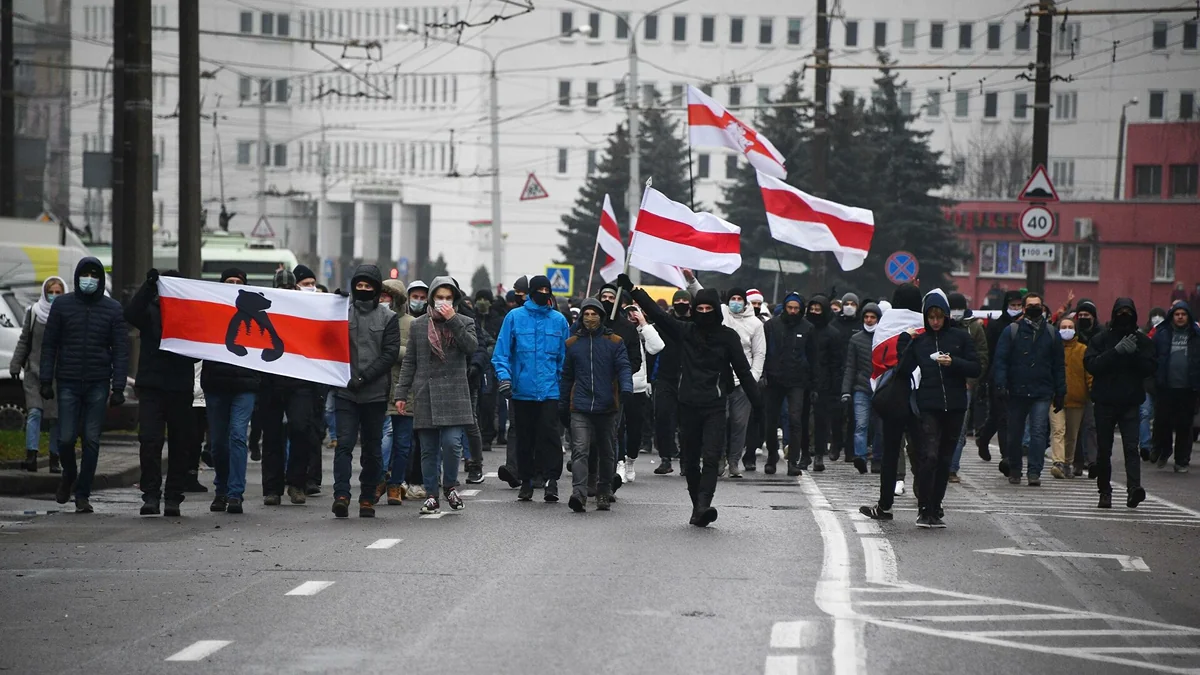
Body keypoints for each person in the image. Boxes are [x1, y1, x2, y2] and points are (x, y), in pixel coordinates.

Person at [624, 275, 761, 527]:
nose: (705, 312)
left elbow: (743, 371)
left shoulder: (728, 336)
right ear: (694, 310)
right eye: (700, 308)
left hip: (715, 405)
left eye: (709, 308)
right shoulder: (685, 331)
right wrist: (634, 290)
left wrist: (759, 406)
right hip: (687, 403)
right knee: (690, 458)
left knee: (711, 457)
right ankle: (696, 505)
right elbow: (659, 315)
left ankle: (704, 504)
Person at [39, 257, 128, 513]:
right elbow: (49, 345)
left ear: (100, 279)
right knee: (65, 439)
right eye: (85, 274)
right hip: (67, 380)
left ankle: (82, 493)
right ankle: (69, 474)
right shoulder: (63, 306)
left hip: (98, 382)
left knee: (91, 440)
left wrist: (119, 387)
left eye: (94, 274)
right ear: (77, 276)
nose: (89, 279)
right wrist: (46, 379)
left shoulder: (112, 309)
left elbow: (121, 350)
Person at [895, 290, 980, 527]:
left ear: (945, 316)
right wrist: (904, 341)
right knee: (929, 456)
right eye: (930, 317)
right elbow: (902, 370)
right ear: (925, 317)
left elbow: (976, 367)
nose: (934, 321)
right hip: (928, 406)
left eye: (938, 317)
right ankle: (924, 506)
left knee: (944, 459)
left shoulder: (960, 337)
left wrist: (954, 363)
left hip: (954, 406)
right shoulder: (919, 341)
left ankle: (936, 505)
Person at [395, 276, 479, 514]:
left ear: (455, 300)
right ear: (432, 298)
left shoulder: (464, 321)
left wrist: (453, 320)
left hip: (454, 392)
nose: (443, 302)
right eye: (439, 297)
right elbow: (409, 361)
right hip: (426, 393)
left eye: (448, 298)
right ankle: (431, 494)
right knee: (428, 449)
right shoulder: (419, 325)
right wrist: (401, 393)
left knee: (452, 445)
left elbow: (471, 347)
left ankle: (450, 486)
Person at [125, 268, 202, 517]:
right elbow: (130, 314)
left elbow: (199, 350)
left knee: (181, 444)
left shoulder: (191, 314)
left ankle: (173, 497)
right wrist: (148, 286)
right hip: (151, 387)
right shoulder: (150, 309)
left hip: (179, 387)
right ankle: (150, 494)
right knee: (150, 440)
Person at [492, 275, 570, 502]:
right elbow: (502, 353)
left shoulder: (559, 321)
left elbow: (565, 358)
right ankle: (525, 481)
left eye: (548, 289)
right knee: (525, 438)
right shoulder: (514, 318)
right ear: (532, 291)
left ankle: (551, 481)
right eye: (540, 289)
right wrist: (505, 378)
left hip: (550, 391)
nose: (544, 293)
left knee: (550, 437)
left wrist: (564, 386)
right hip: (522, 390)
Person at [330, 265, 400, 518]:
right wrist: (330, 306)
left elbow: (390, 353)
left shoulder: (388, 318)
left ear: (376, 289)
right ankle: (341, 495)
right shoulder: (342, 312)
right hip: (345, 392)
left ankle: (367, 497)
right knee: (344, 446)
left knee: (372, 449)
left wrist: (365, 377)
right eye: (358, 286)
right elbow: (325, 340)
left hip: (374, 394)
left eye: (368, 286)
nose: (363, 290)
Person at [560, 299, 633, 512]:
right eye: (586, 314)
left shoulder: (614, 342)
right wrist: (563, 403)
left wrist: (626, 389)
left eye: (594, 313)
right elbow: (566, 377)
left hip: (607, 406)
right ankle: (579, 494)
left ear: (601, 316)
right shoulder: (572, 344)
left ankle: (603, 491)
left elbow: (624, 368)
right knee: (580, 450)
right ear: (581, 317)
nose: (590, 318)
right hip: (580, 406)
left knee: (607, 451)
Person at [860, 283, 925, 521]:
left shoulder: (885, 323)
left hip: (892, 398)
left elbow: (877, 360)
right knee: (921, 453)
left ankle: (884, 505)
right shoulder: (924, 323)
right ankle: (925, 506)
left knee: (890, 454)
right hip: (918, 399)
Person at [1085, 298, 1157, 508]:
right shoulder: (1101, 339)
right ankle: (1104, 491)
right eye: (1120, 311)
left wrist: (1134, 354)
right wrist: (1115, 352)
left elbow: (1150, 368)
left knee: (1131, 448)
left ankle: (1134, 488)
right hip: (1105, 401)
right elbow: (1091, 365)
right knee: (1104, 449)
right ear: (1114, 313)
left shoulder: (1142, 341)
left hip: (1130, 402)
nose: (1124, 315)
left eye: (1128, 311)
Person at [259, 268, 322, 506]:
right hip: (271, 380)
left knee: (300, 430)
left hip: (300, 381)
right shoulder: (264, 308)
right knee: (272, 435)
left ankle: (296, 483)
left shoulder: (305, 307)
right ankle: (272, 488)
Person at [201, 269, 260, 515]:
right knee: (217, 443)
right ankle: (221, 489)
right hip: (216, 384)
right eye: (229, 282)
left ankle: (235, 493)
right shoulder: (211, 312)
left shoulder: (256, 316)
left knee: (237, 436)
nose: (234, 285)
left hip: (245, 386)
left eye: (239, 282)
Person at [992, 292, 1065, 486]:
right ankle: (1015, 469)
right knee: (1015, 432)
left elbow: (1059, 364)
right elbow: (1001, 360)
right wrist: (1000, 385)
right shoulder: (1012, 331)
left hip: (1042, 390)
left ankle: (1034, 471)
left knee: (1039, 431)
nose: (1034, 309)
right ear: (1024, 309)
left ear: (1042, 308)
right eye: (1030, 305)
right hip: (1017, 390)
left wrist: (1061, 391)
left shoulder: (1051, 333)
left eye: (1038, 305)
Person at [10, 276, 66, 473]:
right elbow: (24, 340)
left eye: (58, 292)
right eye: (50, 292)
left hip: (57, 375)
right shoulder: (33, 313)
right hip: (34, 371)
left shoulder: (65, 315)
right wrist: (16, 364)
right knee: (34, 412)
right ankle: (31, 455)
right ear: (44, 292)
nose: (54, 296)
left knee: (55, 417)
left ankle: (54, 459)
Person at [762, 292, 813, 475]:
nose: (792, 311)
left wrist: (811, 380)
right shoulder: (771, 325)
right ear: (784, 308)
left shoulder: (808, 328)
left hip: (797, 381)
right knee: (770, 421)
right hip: (774, 380)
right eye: (789, 308)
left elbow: (813, 356)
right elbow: (764, 351)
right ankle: (771, 458)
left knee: (795, 420)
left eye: (796, 309)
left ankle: (793, 461)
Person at [721, 287, 765, 479]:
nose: (736, 302)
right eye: (733, 298)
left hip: (743, 382)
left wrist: (752, 377)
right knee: (720, 421)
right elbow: (702, 294)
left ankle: (734, 461)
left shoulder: (755, 324)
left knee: (739, 423)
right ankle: (719, 459)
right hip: (722, 379)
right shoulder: (722, 314)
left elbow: (759, 353)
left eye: (740, 299)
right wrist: (691, 281)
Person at [976, 290, 1025, 462]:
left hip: (1018, 377)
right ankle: (1007, 456)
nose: (1016, 308)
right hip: (997, 376)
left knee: (999, 417)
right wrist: (985, 379)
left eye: (1019, 305)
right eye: (1013, 305)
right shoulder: (997, 325)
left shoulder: (1025, 325)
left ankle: (983, 437)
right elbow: (988, 352)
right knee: (1001, 416)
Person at [1151, 302, 1200, 472]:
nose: (1180, 317)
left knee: (1184, 426)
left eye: (1183, 314)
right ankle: (1164, 450)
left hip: (1188, 388)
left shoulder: (1196, 335)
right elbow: (1152, 358)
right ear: (1172, 316)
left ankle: (1181, 460)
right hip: (1165, 387)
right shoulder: (1162, 334)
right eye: (1177, 314)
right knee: (1162, 422)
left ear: (1188, 316)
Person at [947, 292, 989, 483]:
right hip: (943, 382)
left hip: (965, 385)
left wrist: (972, 381)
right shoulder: (940, 324)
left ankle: (952, 468)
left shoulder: (975, 328)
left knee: (960, 427)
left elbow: (982, 356)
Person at [379, 279, 414, 505]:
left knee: (403, 443)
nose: (383, 301)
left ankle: (395, 484)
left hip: (404, 392)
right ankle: (377, 480)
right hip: (378, 389)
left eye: (388, 297)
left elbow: (415, 355)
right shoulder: (372, 319)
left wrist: (392, 351)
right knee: (380, 440)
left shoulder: (412, 323)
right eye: (380, 296)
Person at [806, 294, 847, 472]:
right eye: (812, 309)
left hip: (825, 383)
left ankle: (819, 455)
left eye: (818, 309)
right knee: (802, 420)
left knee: (821, 421)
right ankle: (804, 453)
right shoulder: (805, 329)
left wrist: (834, 386)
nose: (815, 313)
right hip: (803, 380)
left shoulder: (832, 334)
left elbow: (836, 363)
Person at [842, 302, 881, 474]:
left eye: (873, 317)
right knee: (861, 424)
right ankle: (860, 457)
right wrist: (845, 390)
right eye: (866, 317)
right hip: (861, 388)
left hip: (881, 388)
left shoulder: (883, 338)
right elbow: (850, 366)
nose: (869, 320)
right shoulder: (856, 339)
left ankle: (878, 458)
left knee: (879, 426)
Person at [1050, 317, 1091, 480]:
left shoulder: (1083, 349)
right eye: (1063, 326)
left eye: (1070, 327)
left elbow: (1089, 373)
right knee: (1058, 430)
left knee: (1072, 434)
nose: (1067, 329)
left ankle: (1068, 462)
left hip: (1077, 398)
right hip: (1055, 397)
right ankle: (1058, 462)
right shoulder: (1052, 348)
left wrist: (1091, 390)